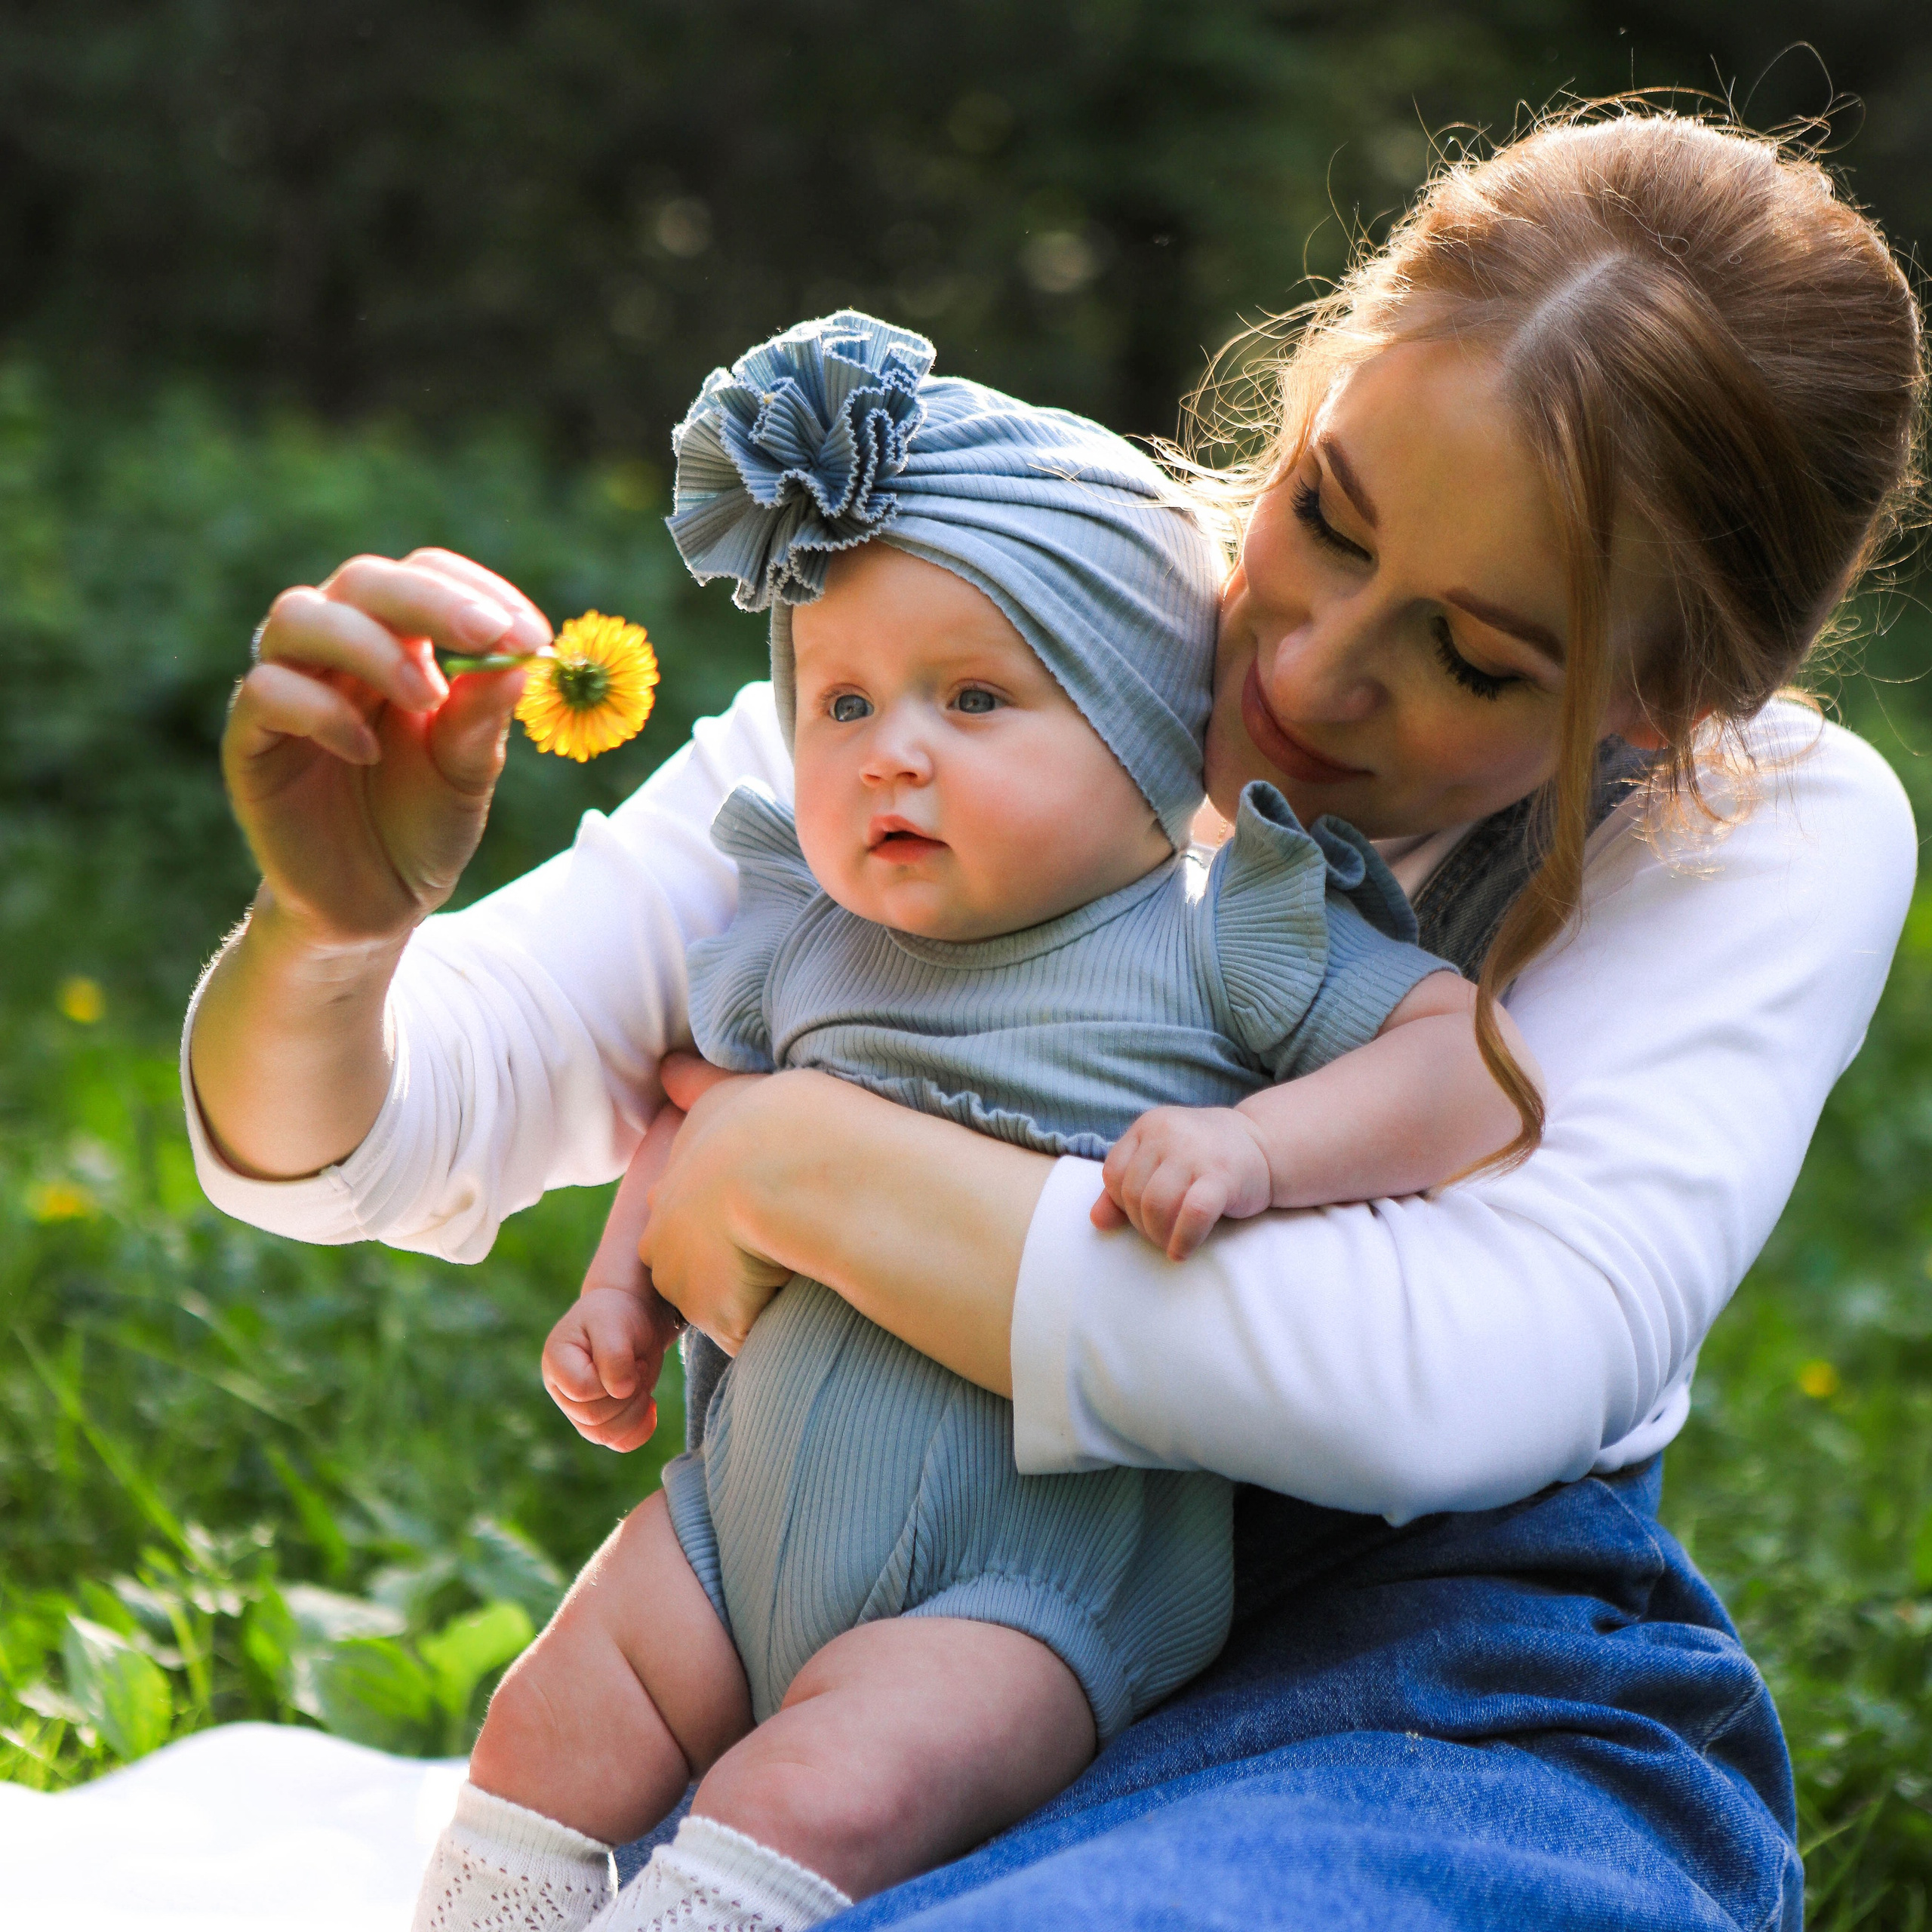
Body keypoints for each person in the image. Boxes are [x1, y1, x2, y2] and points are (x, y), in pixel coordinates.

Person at [185, 106, 1923, 1929]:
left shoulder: (1757, 826)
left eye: (1477, 655)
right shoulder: (1005, 619)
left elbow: (1455, 1371)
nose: (1311, 667)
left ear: (1667, 701)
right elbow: (388, 1127)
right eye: (1322, 515)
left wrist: (793, 1158)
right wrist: (329, 941)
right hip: (879, 1613)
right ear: (1319, 379)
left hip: (1412, 1691)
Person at [442, 311, 1531, 1932]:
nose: (893, 753)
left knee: (816, 1792)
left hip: (1026, 1589)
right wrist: (618, 1285)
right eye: (843, 704)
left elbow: (1460, 1068)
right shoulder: (803, 937)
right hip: (732, 1533)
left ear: (1143, 736)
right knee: (548, 1711)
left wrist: (1260, 1148)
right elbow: (703, 1129)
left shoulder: (1217, 935)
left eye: (971, 697)